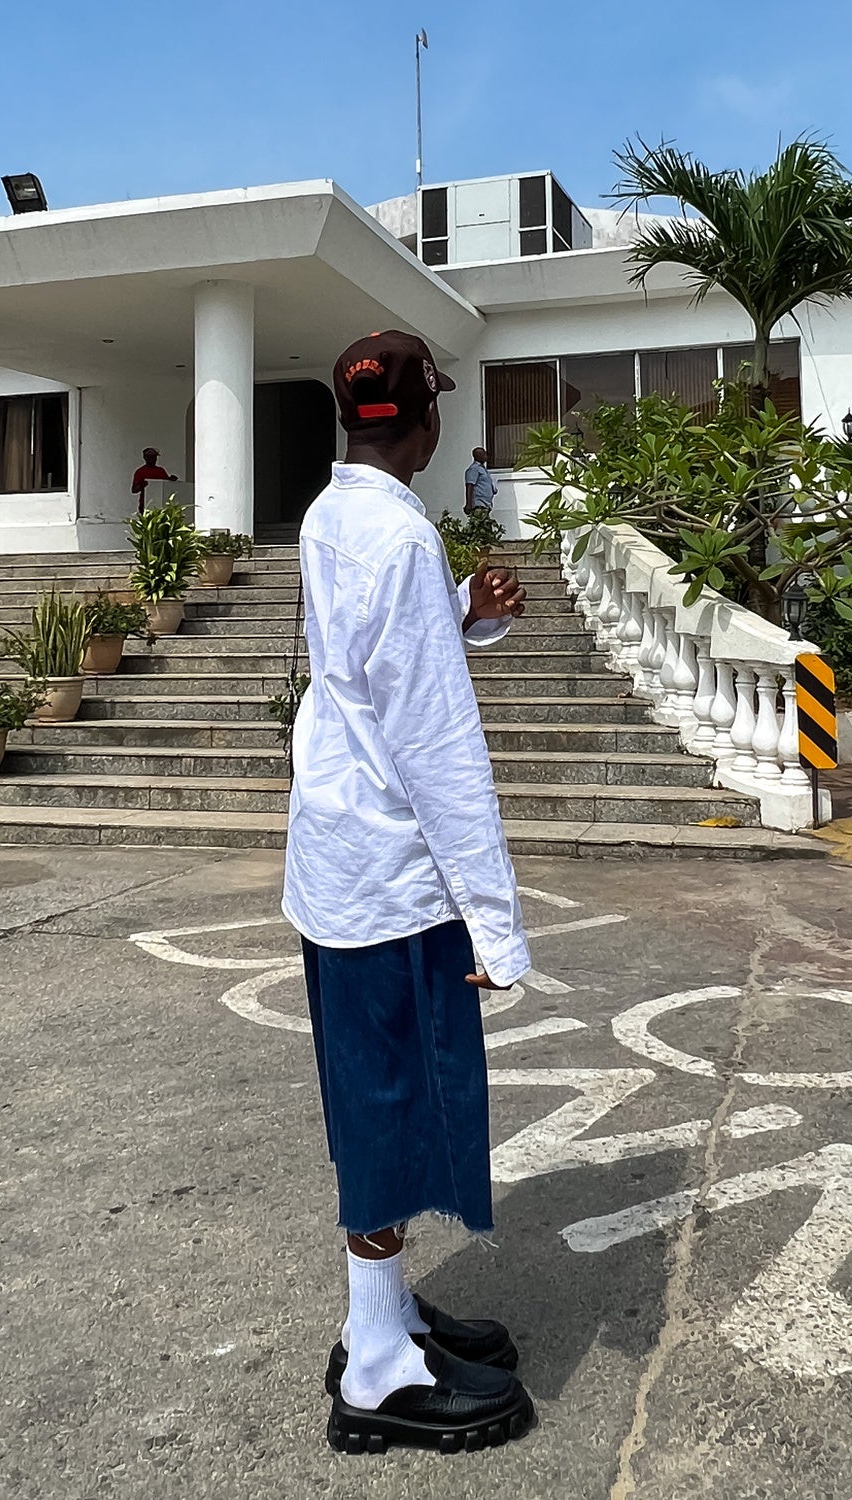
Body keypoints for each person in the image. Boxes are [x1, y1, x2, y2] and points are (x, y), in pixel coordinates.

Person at [283, 330, 535, 1456]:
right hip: (392, 874)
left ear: (354, 420)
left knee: (369, 1098)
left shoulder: (330, 514)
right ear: (425, 424)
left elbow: (369, 670)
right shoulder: (401, 534)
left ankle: (380, 1314)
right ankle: (379, 1371)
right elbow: (436, 744)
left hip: (337, 855)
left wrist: (460, 615)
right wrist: (497, 920)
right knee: (394, 1105)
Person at [130, 448, 177, 514]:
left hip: (161, 503)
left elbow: (166, 484)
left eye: (155, 457)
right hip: (146, 504)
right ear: (145, 458)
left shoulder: (160, 471)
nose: (154, 459)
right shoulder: (140, 472)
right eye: (151, 457)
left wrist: (171, 480)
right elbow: (134, 490)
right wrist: (142, 485)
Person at [463, 446, 496, 516]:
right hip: (479, 504)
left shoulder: (482, 469)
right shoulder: (474, 469)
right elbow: (470, 486)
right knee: (479, 521)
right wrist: (468, 504)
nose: (486, 456)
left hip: (486, 504)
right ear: (479, 456)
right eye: (484, 454)